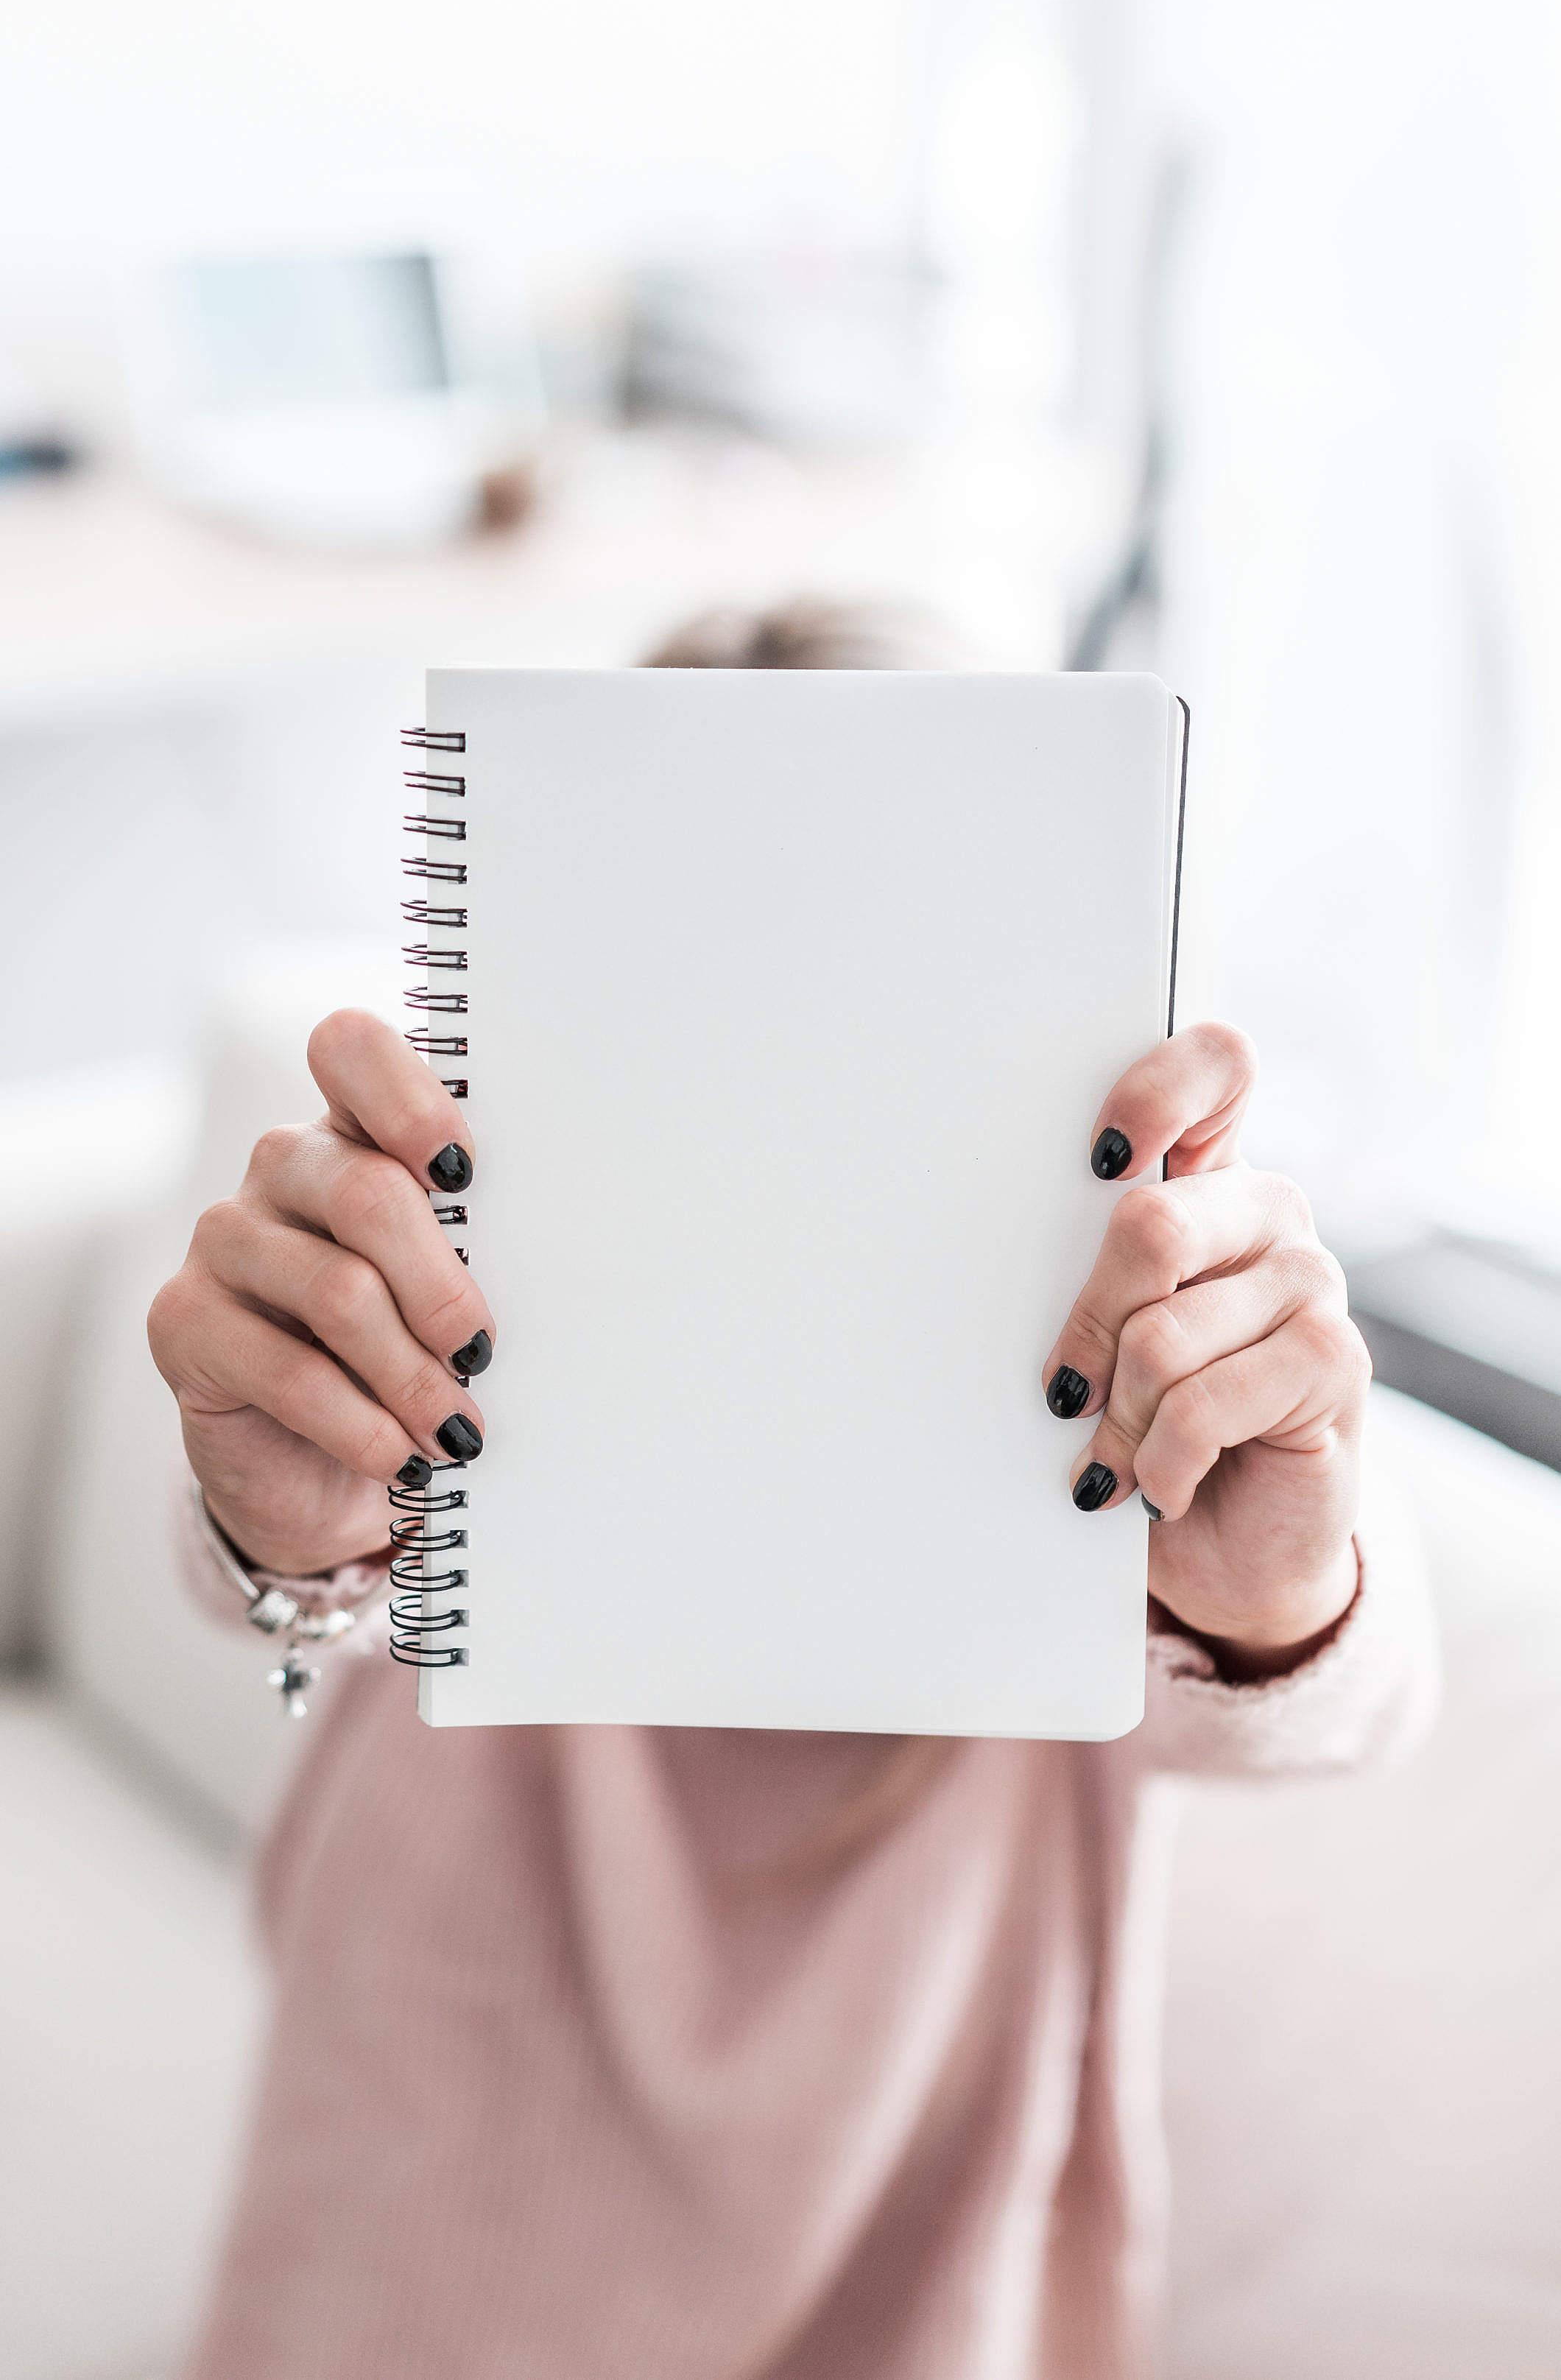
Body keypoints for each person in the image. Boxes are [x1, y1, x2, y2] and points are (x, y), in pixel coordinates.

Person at [148, 603, 1437, 2380]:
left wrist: (1272, 1580)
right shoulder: (502, 1358)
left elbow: (1339, 1698)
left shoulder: (1082, 1422)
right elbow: (273, 1577)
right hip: (397, 2269)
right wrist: (281, 1519)